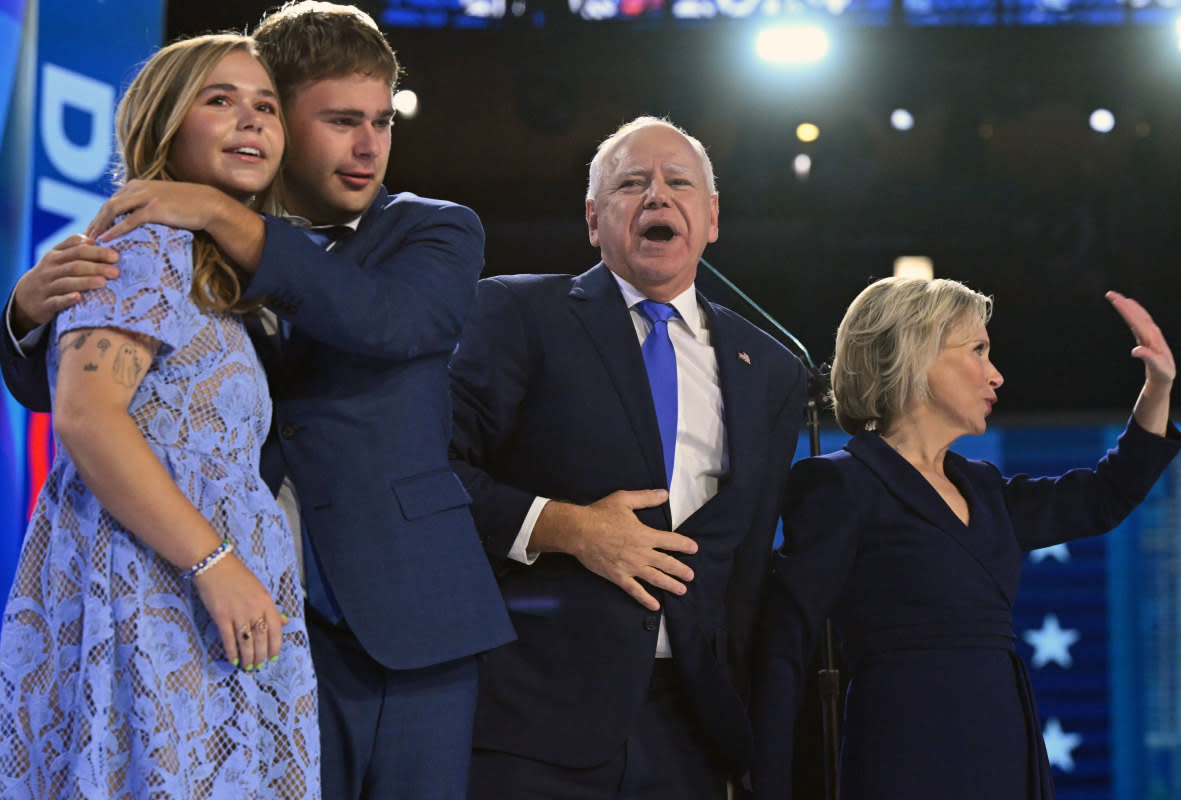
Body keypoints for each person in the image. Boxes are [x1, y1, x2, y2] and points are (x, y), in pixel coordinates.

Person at [1, 3, 514, 799]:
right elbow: (80, 401)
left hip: (402, 620)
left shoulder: (433, 229)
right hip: (219, 611)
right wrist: (27, 315)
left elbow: (391, 322)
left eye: (380, 120)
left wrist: (216, 211)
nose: (368, 144)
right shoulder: (164, 247)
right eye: (340, 120)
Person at [448, 115, 809, 798]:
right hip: (533, 715)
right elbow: (435, 472)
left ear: (710, 218)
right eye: (630, 184)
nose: (656, 197)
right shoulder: (518, 313)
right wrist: (568, 529)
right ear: (592, 219)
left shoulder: (769, 366)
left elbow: (749, 561)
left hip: (691, 724)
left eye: (678, 183)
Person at [0, 33, 321, 798]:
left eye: (265, 107)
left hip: (193, 587)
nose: (250, 122)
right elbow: (88, 418)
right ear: (166, 123)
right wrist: (218, 566)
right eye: (220, 101)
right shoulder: (147, 245)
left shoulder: (209, 264)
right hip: (154, 585)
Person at [750, 277, 1180, 799]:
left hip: (1007, 755)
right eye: (978, 350)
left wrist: (1157, 388)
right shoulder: (840, 484)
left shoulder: (983, 486)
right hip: (907, 761)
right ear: (915, 358)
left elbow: (1102, 498)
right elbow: (781, 645)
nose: (996, 374)